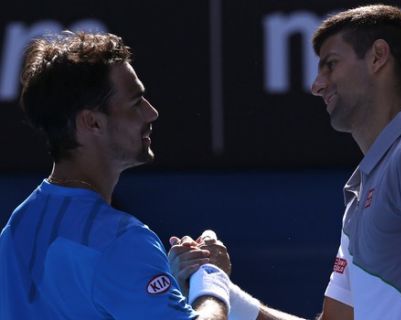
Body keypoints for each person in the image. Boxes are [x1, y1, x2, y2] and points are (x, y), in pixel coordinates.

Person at [169, 4, 401, 320]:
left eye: (330, 65)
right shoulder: (363, 195)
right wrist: (218, 286)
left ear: (378, 57)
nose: (317, 85)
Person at [0, 31, 234, 319]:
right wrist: (212, 280)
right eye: (136, 103)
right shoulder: (121, 241)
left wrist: (167, 286)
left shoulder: (16, 228)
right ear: (92, 122)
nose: (152, 113)